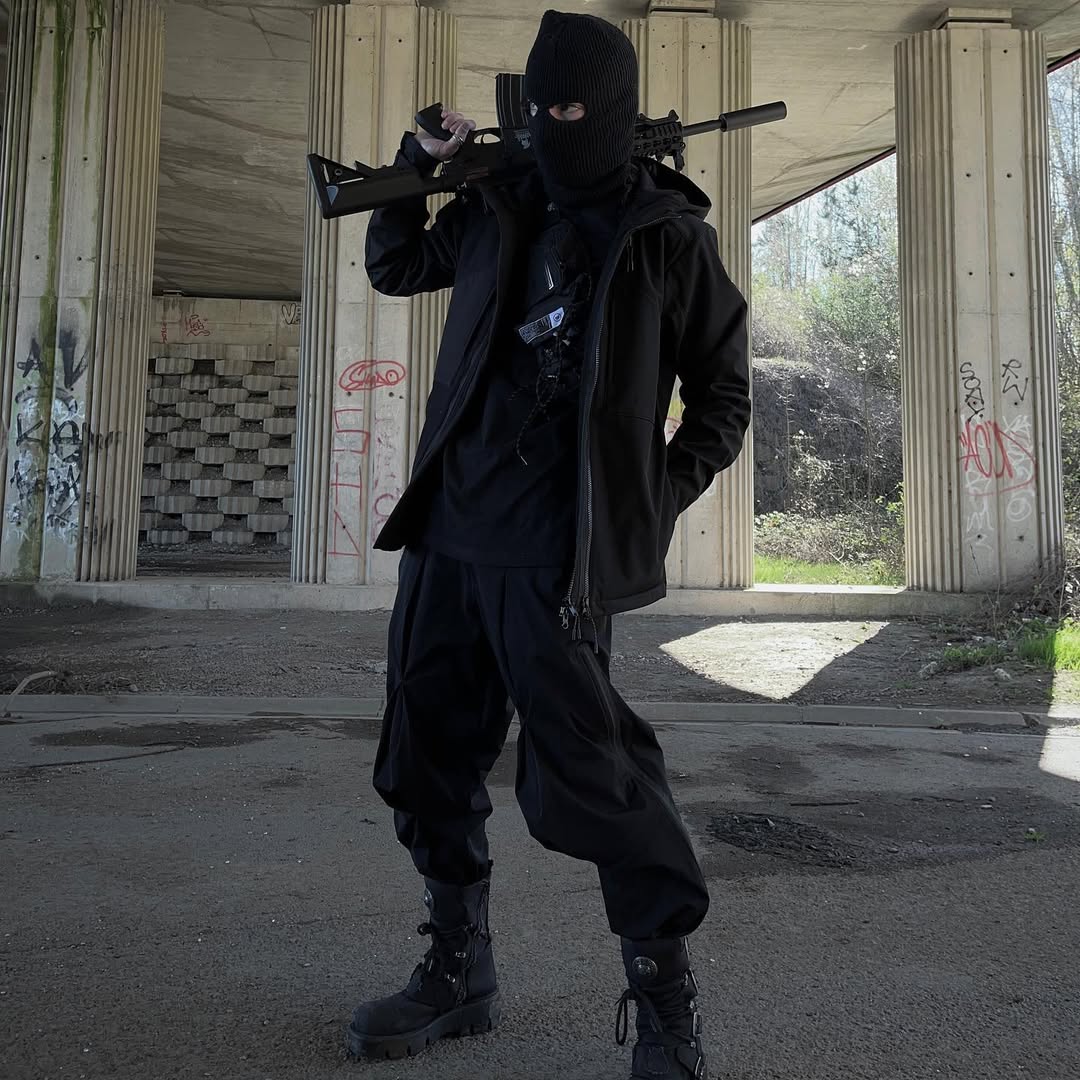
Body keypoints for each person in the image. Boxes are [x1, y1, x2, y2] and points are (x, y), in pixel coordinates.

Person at [348, 10, 750, 1079]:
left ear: (612, 111)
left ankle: (665, 1005)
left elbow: (724, 396)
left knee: (597, 779)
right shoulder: (492, 204)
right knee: (425, 754)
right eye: (543, 105)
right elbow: (393, 265)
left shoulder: (668, 237)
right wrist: (418, 165)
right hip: (449, 533)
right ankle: (459, 971)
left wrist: (651, 499)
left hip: (555, 557)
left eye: (575, 108)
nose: (556, 125)